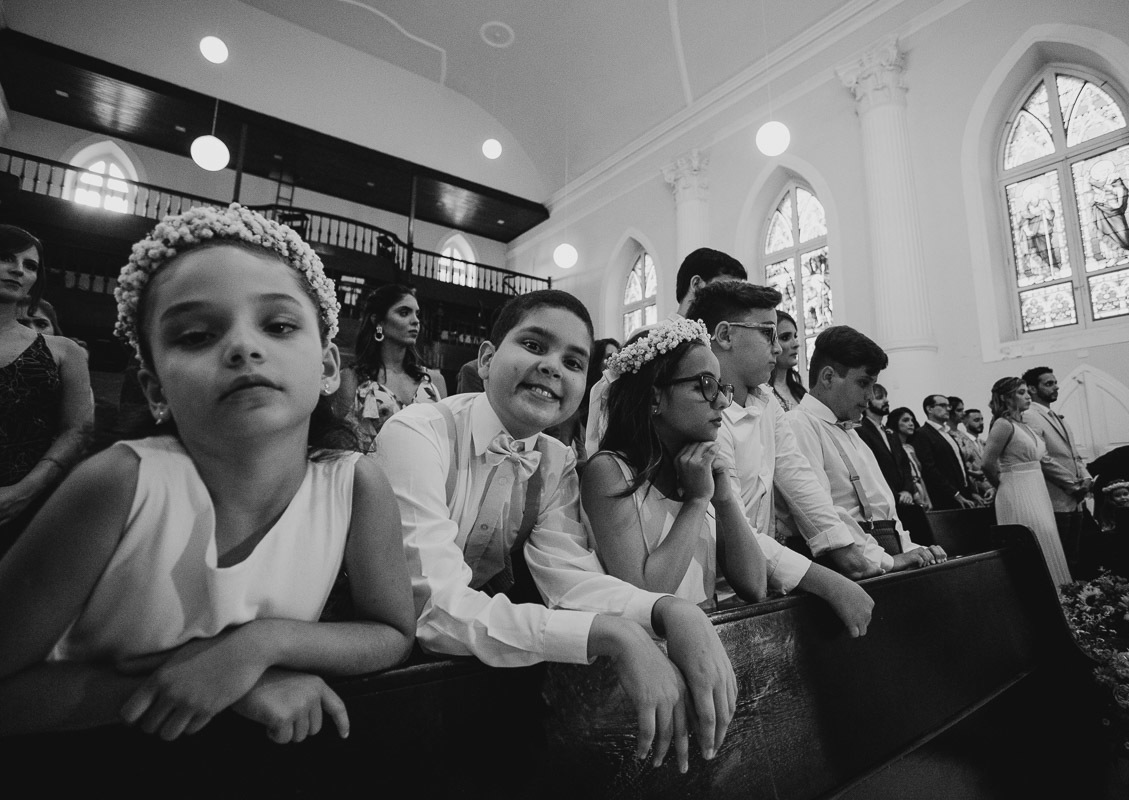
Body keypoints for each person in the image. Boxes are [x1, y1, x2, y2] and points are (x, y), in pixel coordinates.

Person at [0, 204, 416, 741]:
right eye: (196, 335)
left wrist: (259, 646)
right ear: (155, 391)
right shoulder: (120, 483)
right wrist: (219, 686)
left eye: (280, 325)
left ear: (329, 367)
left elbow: (390, 633)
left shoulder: (355, 483)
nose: (244, 346)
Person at [373, 289, 738, 772]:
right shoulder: (417, 432)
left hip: (467, 666)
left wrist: (667, 610)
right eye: (533, 345)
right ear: (486, 359)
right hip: (378, 658)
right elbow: (436, 607)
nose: (552, 367)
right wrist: (615, 635)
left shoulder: (556, 460)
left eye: (572, 361)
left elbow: (570, 580)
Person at [685, 279, 881, 581]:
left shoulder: (768, 403)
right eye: (768, 333)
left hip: (761, 578)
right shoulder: (703, 411)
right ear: (725, 335)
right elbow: (730, 518)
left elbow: (800, 480)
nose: (778, 347)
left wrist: (852, 557)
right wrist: (825, 581)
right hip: (713, 580)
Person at [581, 318, 767, 608]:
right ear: (655, 396)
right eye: (705, 385)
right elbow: (646, 596)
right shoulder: (608, 471)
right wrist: (696, 502)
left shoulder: (696, 471)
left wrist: (725, 499)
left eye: (721, 387)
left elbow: (755, 586)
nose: (722, 402)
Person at [783, 326, 945, 573]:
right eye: (863, 383)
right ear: (827, 377)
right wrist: (887, 561)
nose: (870, 395)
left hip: (881, 551)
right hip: (851, 562)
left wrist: (912, 550)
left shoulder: (851, 433)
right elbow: (823, 514)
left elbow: (885, 509)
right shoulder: (799, 425)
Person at [584, 247, 747, 457]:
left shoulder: (717, 344)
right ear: (697, 284)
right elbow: (616, 405)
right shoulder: (650, 337)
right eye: (726, 289)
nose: (734, 302)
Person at [0, 225, 93, 557]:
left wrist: (23, 492)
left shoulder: (62, 351)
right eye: (6, 258)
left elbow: (77, 431)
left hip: (26, 507)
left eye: (30, 265)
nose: (18, 270)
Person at [981, 377, 1072, 587]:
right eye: (1021, 392)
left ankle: (1060, 594)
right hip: (1016, 490)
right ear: (1006, 397)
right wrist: (1002, 485)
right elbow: (987, 463)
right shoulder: (1003, 425)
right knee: (1036, 537)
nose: (1028, 396)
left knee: (1048, 535)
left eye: (1026, 391)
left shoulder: (1023, 424)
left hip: (1037, 489)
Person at [334, 283, 447, 441]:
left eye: (417, 314)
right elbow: (339, 446)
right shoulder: (352, 379)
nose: (415, 321)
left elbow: (446, 442)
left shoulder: (435, 381)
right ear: (378, 321)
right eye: (404, 312)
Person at [1021, 367, 1095, 575]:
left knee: (1074, 557)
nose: (1056, 387)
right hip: (1056, 497)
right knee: (1059, 558)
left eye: (1055, 382)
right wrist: (1072, 485)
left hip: (1075, 498)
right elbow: (1042, 457)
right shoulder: (1029, 416)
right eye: (1049, 383)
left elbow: (1073, 454)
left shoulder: (1056, 416)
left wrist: (1086, 477)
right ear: (1033, 389)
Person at [859, 384, 934, 545]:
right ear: (867, 401)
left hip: (905, 496)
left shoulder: (890, 432)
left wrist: (907, 489)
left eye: (886, 396)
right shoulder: (862, 430)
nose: (886, 400)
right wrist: (895, 494)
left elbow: (905, 465)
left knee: (924, 538)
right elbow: (871, 468)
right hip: (887, 498)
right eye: (880, 397)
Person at [913, 394, 984, 510]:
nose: (948, 409)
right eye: (942, 405)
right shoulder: (922, 434)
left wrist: (971, 491)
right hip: (944, 498)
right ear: (929, 409)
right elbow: (930, 469)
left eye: (949, 406)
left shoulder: (948, 433)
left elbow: (959, 465)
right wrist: (955, 494)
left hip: (962, 494)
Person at [887, 407, 933, 512]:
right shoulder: (892, 447)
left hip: (921, 490)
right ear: (895, 423)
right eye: (905, 420)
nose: (911, 423)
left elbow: (919, 475)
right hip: (906, 492)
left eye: (912, 420)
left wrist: (928, 499)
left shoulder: (910, 447)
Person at [949, 397, 994, 504]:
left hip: (986, 486)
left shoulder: (965, 437)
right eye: (976, 420)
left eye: (982, 419)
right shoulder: (950, 436)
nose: (981, 423)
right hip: (969, 487)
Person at [768, 310, 806, 411]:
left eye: (795, 336)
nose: (796, 344)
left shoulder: (799, 390)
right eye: (785, 338)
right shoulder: (763, 393)